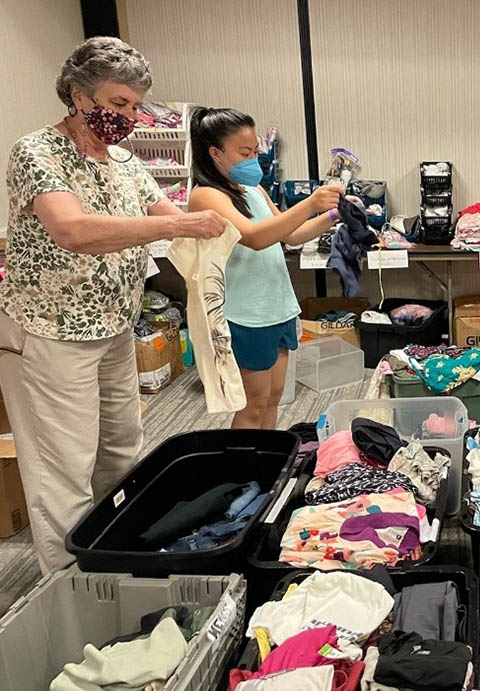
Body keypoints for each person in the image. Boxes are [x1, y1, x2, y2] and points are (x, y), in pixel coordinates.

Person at [0, 37, 226, 574]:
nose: (127, 116)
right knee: (63, 466)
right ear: (77, 95)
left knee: (121, 451)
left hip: (113, 326)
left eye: (135, 105)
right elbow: (73, 230)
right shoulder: (38, 152)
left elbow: (164, 210)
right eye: (118, 103)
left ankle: (117, 554)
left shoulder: (124, 161)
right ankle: (72, 582)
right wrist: (179, 224)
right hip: (50, 330)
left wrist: (226, 233)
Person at [187, 107, 342, 429]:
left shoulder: (254, 190)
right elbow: (255, 238)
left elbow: (291, 235)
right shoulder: (205, 196)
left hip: (278, 308)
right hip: (246, 316)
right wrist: (310, 203)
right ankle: (244, 474)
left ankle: (265, 467)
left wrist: (332, 216)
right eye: (244, 153)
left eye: (255, 151)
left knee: (273, 397)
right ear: (215, 153)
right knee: (253, 405)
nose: (253, 159)